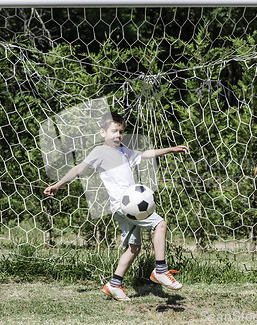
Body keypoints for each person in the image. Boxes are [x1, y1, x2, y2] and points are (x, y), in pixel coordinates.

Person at [44, 112, 188, 301]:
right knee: (160, 224)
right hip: (125, 207)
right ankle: (160, 270)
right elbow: (78, 169)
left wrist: (170, 150)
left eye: (121, 132)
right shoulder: (99, 152)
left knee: (134, 248)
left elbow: (145, 154)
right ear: (103, 132)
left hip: (130, 207)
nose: (118, 135)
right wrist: (58, 184)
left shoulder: (123, 151)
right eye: (114, 131)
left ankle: (114, 284)